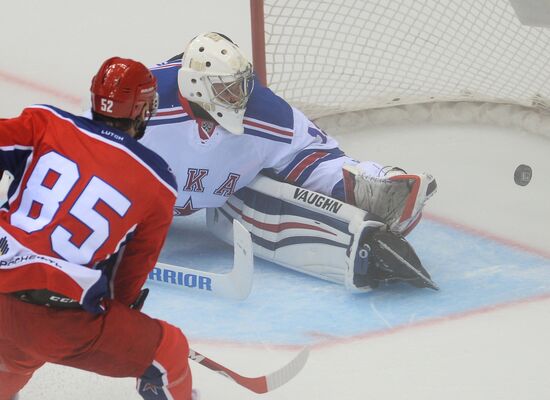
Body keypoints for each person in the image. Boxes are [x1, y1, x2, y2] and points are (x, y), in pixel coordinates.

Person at [140, 32, 439, 292]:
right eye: (225, 90)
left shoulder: (263, 110)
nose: (239, 97)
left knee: (298, 166)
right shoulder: (145, 101)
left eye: (240, 85)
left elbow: (312, 154)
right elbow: (95, 153)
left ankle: (371, 185)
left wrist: (360, 181)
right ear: (195, 86)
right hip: (138, 209)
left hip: (217, 197)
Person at [0, 57, 197, 400]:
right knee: (169, 351)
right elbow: (129, 275)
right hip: (57, 322)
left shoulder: (45, 121)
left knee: (14, 358)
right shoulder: (158, 182)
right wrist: (123, 313)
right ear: (142, 111)